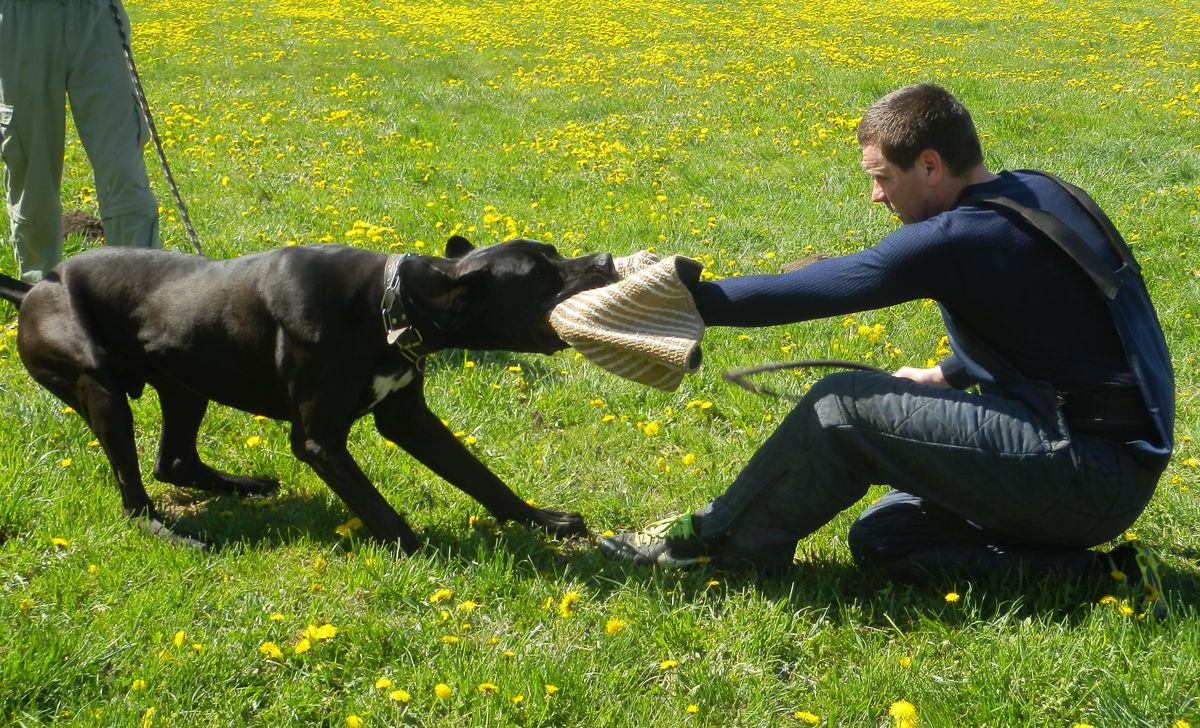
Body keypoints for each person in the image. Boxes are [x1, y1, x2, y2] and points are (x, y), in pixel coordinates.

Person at [600, 84, 1174, 591]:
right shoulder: (1039, 192)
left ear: (930, 165)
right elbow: (1049, 322)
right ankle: (1103, 574)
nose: (876, 195)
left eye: (882, 177)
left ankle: (717, 545)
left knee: (841, 407)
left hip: (1085, 469)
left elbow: (807, 290)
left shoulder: (958, 236)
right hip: (1107, 462)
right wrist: (945, 374)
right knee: (887, 535)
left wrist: (664, 302)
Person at [0, 0, 160, 284]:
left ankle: (139, 293)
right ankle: (41, 294)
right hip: (21, 15)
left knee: (123, 167)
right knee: (32, 175)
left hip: (96, 14)